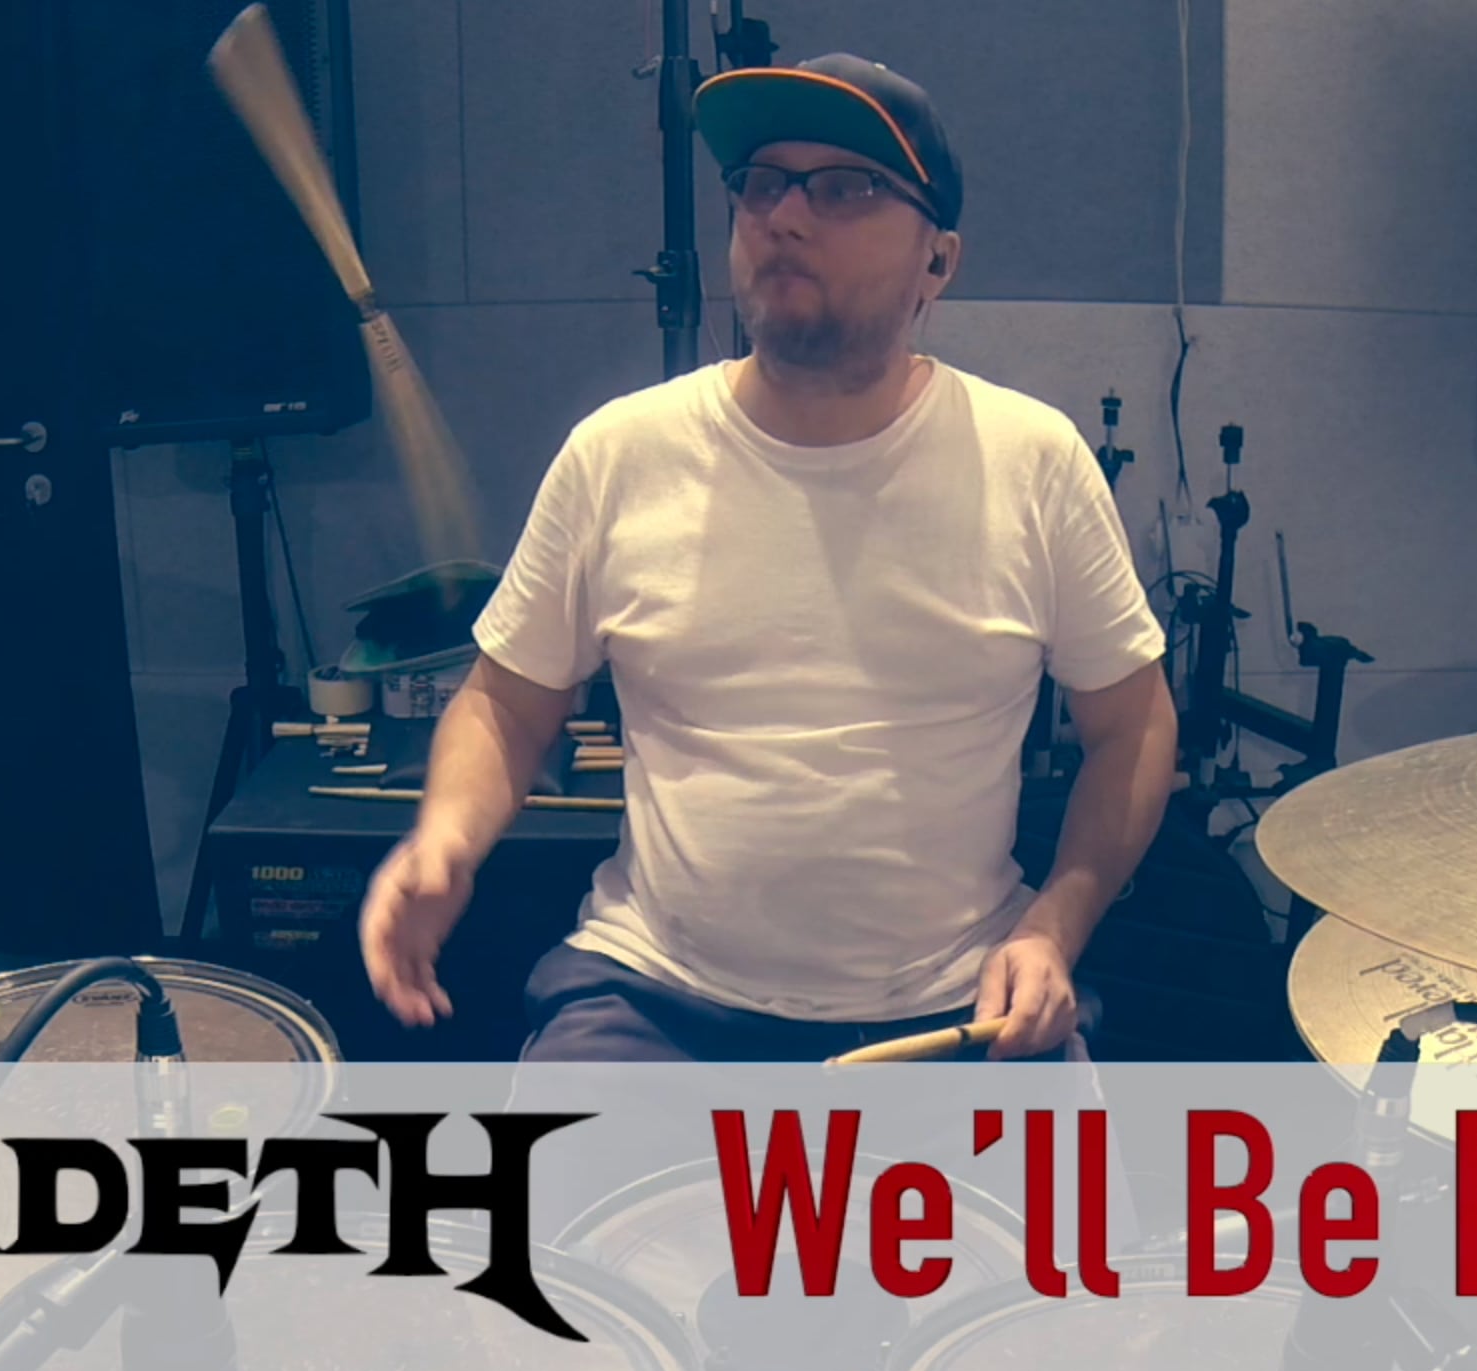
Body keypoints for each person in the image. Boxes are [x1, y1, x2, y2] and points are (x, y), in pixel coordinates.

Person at [357, 53, 1176, 1064]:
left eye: (845, 188)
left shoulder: (1031, 462)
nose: (784, 215)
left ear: (938, 261)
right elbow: (506, 702)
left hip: (957, 999)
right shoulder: (620, 454)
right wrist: (443, 839)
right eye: (760, 184)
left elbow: (1132, 723)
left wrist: (1056, 924)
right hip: (656, 995)